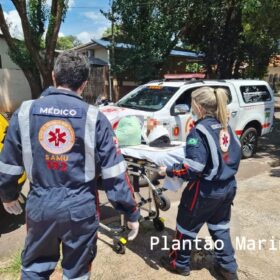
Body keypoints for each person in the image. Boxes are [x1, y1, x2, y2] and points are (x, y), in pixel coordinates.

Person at [0, 50, 139, 280]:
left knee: (35, 268)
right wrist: (130, 211)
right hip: (80, 207)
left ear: (53, 77)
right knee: (77, 272)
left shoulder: (24, 112)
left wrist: (8, 195)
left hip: (40, 205)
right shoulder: (95, 118)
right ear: (84, 84)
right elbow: (114, 173)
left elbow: (8, 164)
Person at [159, 87, 241, 280]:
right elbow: (234, 156)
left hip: (205, 191)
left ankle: (179, 264)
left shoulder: (199, 131)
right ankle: (228, 267)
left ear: (199, 106)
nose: (191, 107)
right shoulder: (226, 127)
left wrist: (168, 170)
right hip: (228, 187)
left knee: (186, 226)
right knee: (220, 228)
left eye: (192, 103)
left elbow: (193, 168)